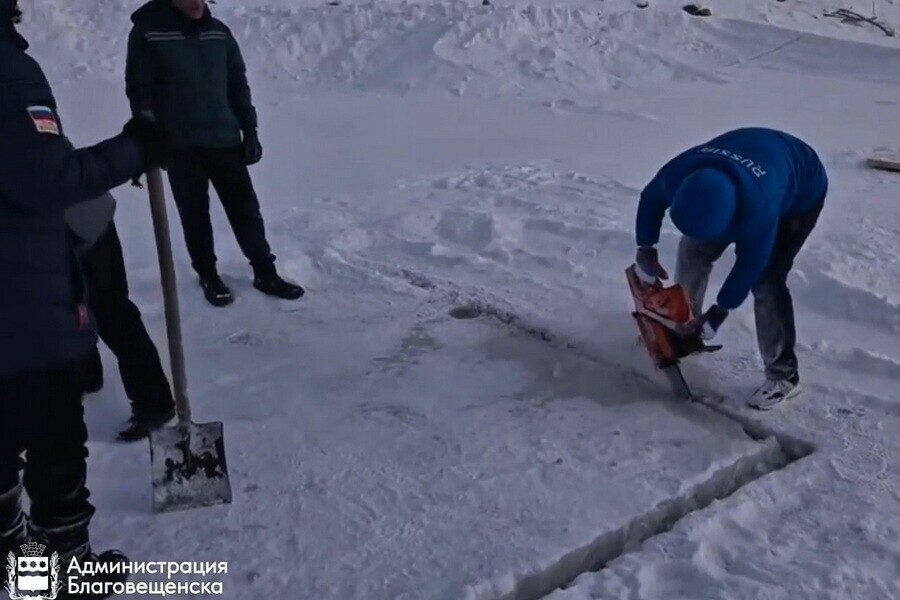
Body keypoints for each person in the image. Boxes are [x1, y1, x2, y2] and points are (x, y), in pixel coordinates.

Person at [0, 1, 170, 595]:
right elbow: (47, 180)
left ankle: (19, 572)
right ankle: (61, 574)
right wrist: (136, 149)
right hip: (24, 314)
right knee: (53, 452)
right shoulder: (9, 73)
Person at [125, 0, 304, 307]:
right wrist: (148, 129)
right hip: (180, 145)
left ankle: (265, 271)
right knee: (194, 215)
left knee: (246, 211)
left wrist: (250, 128)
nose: (196, 3)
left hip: (224, 139)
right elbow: (139, 87)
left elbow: (237, 83)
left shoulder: (219, 34)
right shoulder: (148, 33)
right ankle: (208, 274)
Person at [633, 127, 827, 410]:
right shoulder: (678, 173)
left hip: (801, 186)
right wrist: (645, 248)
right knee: (693, 250)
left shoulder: (760, 211)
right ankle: (684, 326)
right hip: (747, 166)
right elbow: (650, 200)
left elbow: (751, 264)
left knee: (767, 280)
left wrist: (719, 311)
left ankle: (784, 376)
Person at [65, 196, 177, 442]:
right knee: (68, 309)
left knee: (113, 313)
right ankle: (86, 372)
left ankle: (155, 402)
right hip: (49, 231)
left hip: (82, 223)